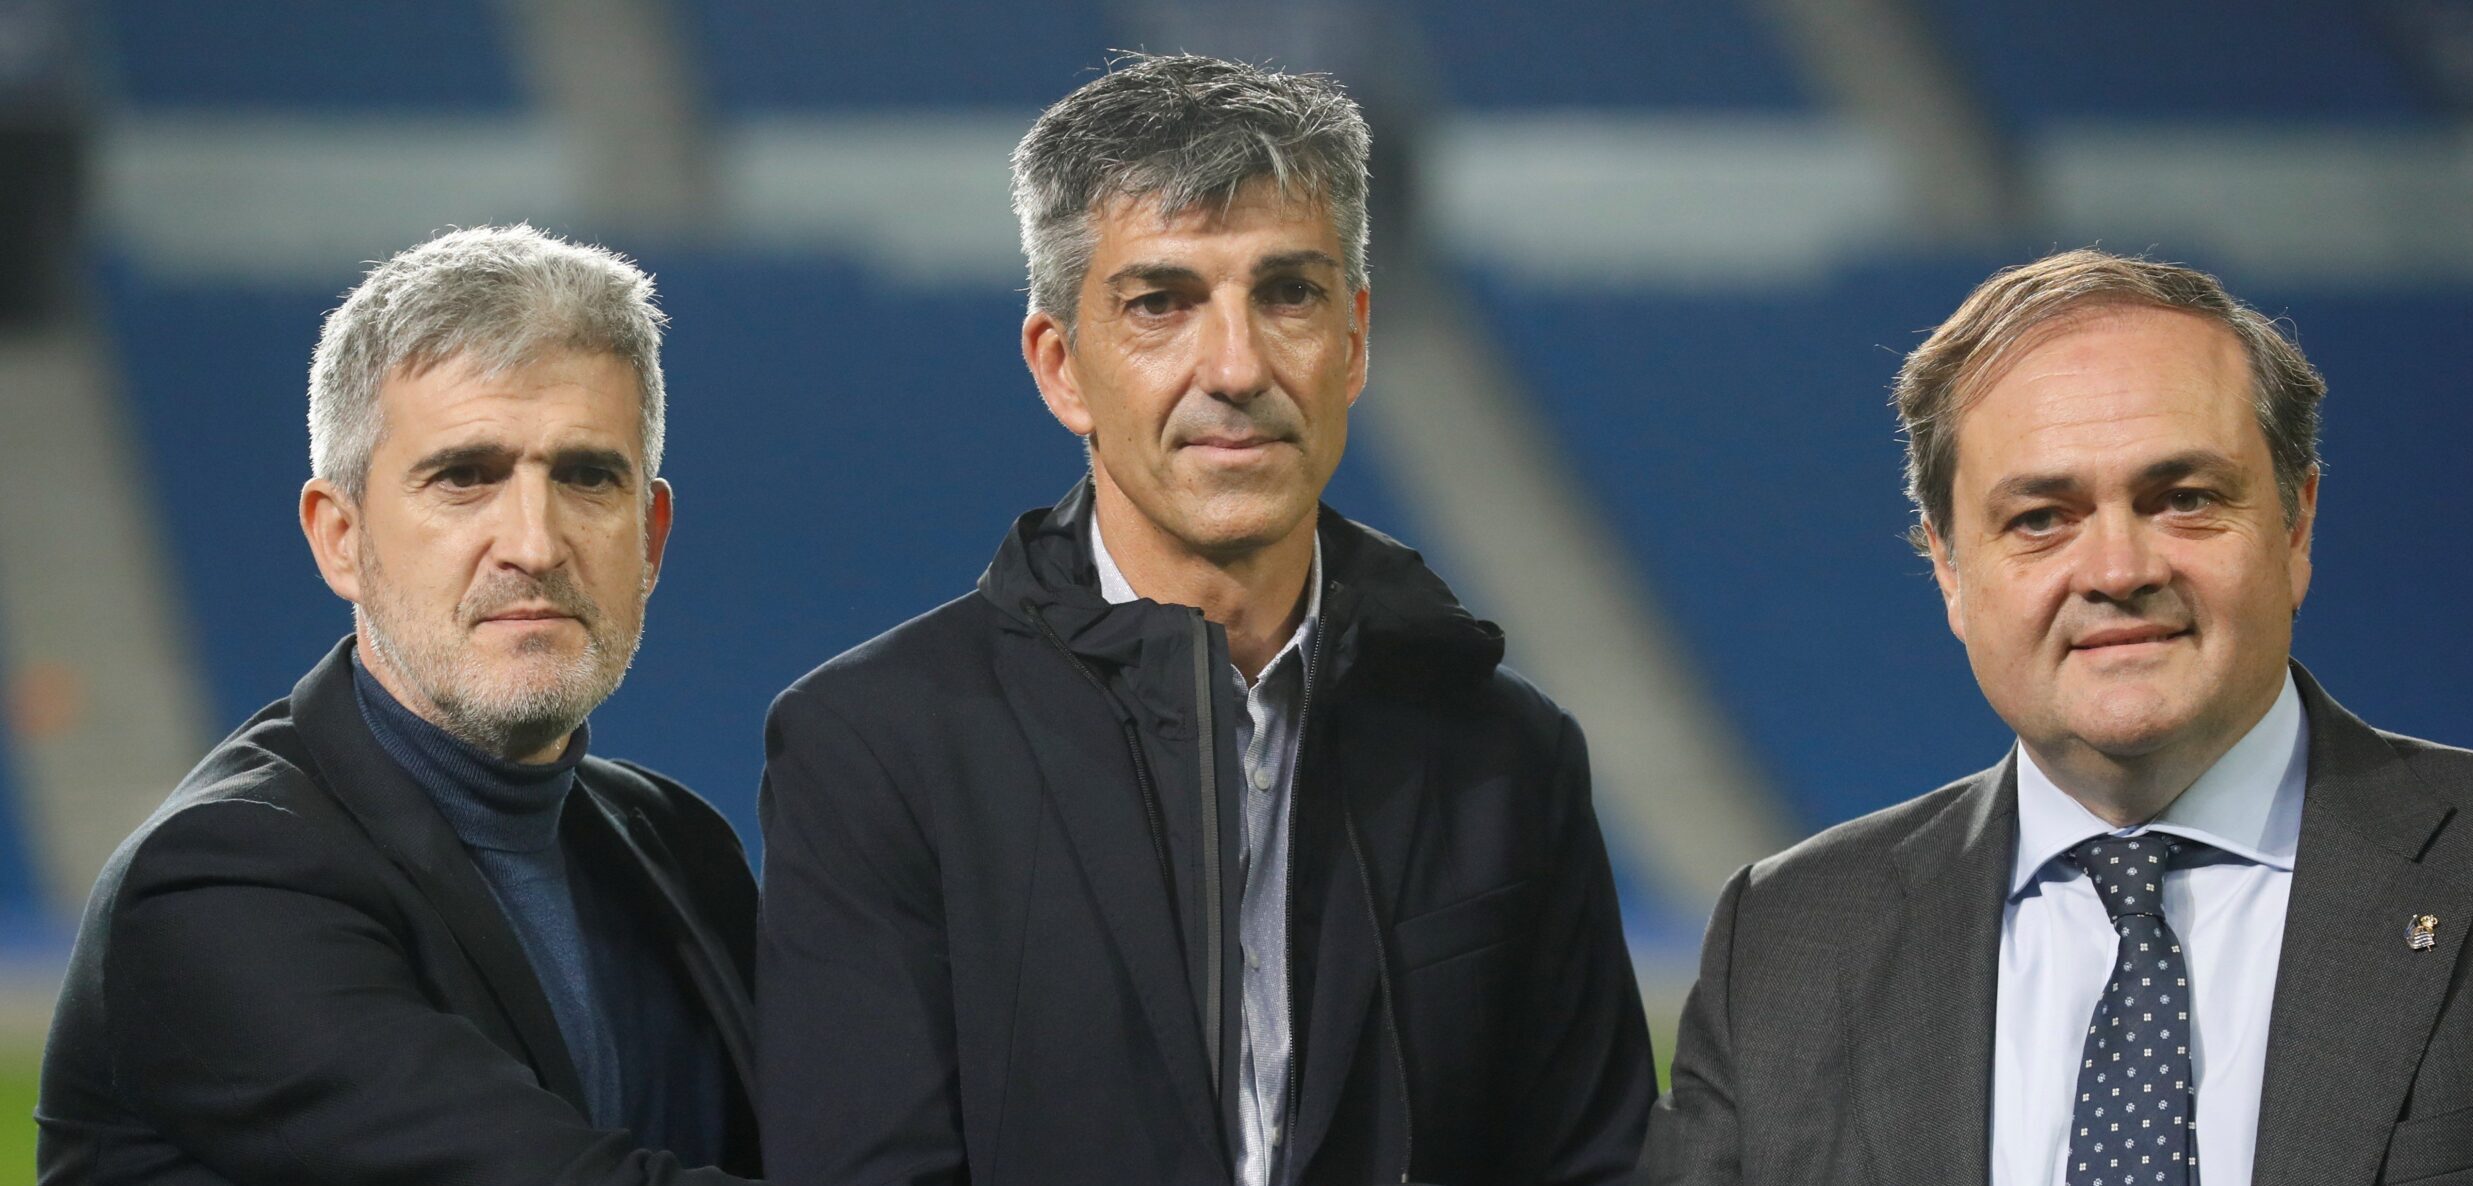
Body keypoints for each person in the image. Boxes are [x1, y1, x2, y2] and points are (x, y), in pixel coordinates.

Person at [757, 53, 1654, 1186]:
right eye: (1159, 303)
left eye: (1288, 294)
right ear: (1060, 367)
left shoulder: (1508, 757)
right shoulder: (875, 748)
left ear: (1355, 341)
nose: (1234, 365)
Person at [1638, 248, 2473, 1185]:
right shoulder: (1790, 935)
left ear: (2295, 527)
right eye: (2041, 517)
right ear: (1950, 568)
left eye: (2185, 500)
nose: (2118, 571)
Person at [36, 225, 761, 1185]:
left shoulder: (678, 848)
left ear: (652, 537)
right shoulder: (223, 885)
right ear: (341, 539)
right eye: (465, 477)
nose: (534, 544)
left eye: (587, 477)